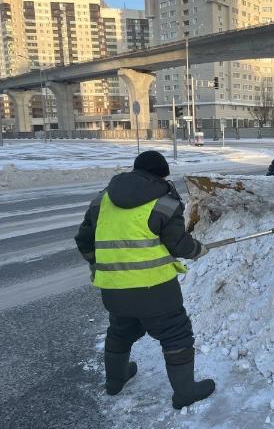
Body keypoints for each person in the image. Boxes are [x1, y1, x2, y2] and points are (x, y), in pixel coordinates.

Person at [74, 150, 215, 409]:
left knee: (121, 329)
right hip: (156, 289)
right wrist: (198, 249)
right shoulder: (165, 201)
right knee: (176, 334)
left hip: (113, 289)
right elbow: (178, 246)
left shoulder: (102, 199)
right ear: (161, 176)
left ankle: (115, 381)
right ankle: (185, 392)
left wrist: (101, 265)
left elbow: (83, 240)